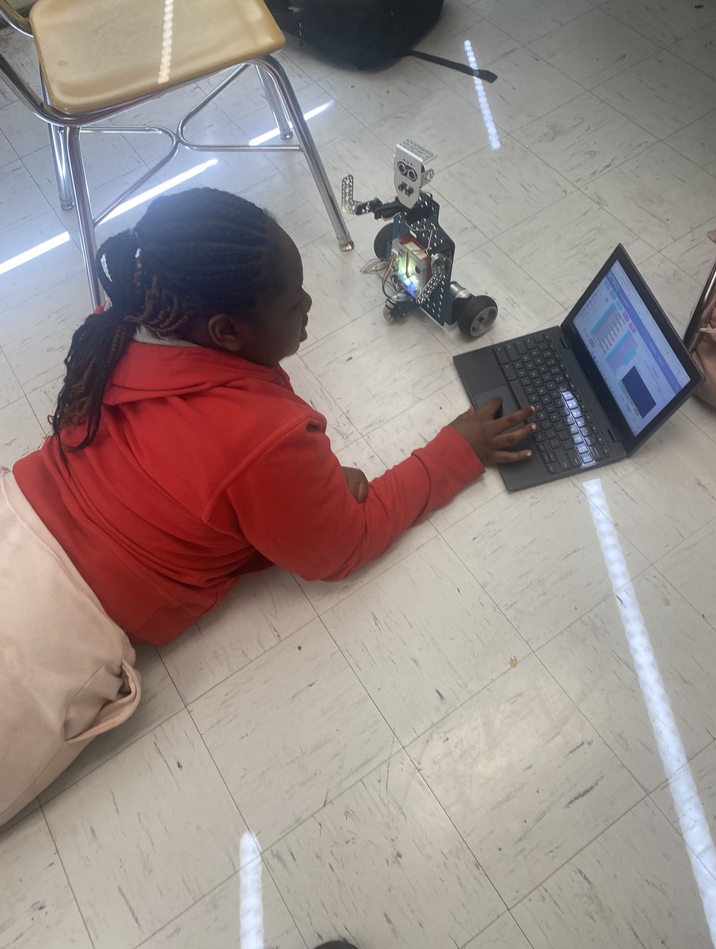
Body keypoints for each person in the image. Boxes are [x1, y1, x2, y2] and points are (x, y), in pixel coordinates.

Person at [0, 187, 535, 825]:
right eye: (292, 301)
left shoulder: (125, 319)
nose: (309, 305)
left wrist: (298, 493)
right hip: (50, 630)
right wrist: (456, 451)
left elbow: (190, 467)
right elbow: (342, 548)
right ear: (225, 332)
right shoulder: (266, 438)